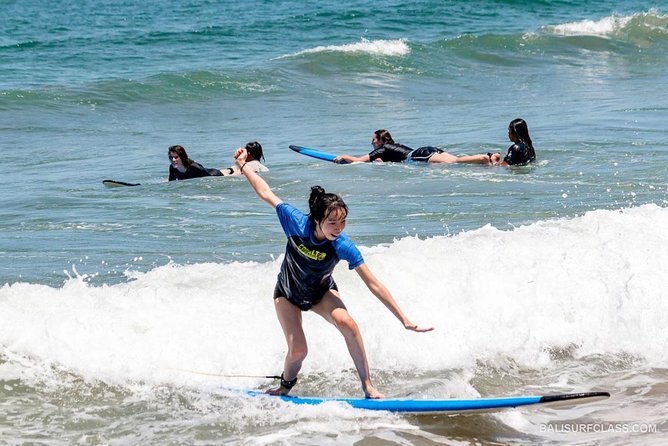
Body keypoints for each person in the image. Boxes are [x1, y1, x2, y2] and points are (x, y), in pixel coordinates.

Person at [233, 146, 433, 399]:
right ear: (317, 220)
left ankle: (368, 386)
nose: (339, 228)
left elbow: (373, 284)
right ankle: (285, 386)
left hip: (321, 291)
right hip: (287, 293)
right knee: (298, 352)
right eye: (332, 223)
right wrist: (243, 167)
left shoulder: (342, 245)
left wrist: (404, 319)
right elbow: (265, 192)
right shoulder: (295, 222)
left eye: (343, 222)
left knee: (348, 324)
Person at [333, 129, 495, 165]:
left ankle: (483, 158)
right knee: (456, 160)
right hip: (424, 151)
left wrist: (344, 156)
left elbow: (359, 161)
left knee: (455, 162)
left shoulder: (383, 148)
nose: (372, 143)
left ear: (380, 141)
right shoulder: (391, 147)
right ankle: (490, 158)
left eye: (373, 140)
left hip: (418, 155)